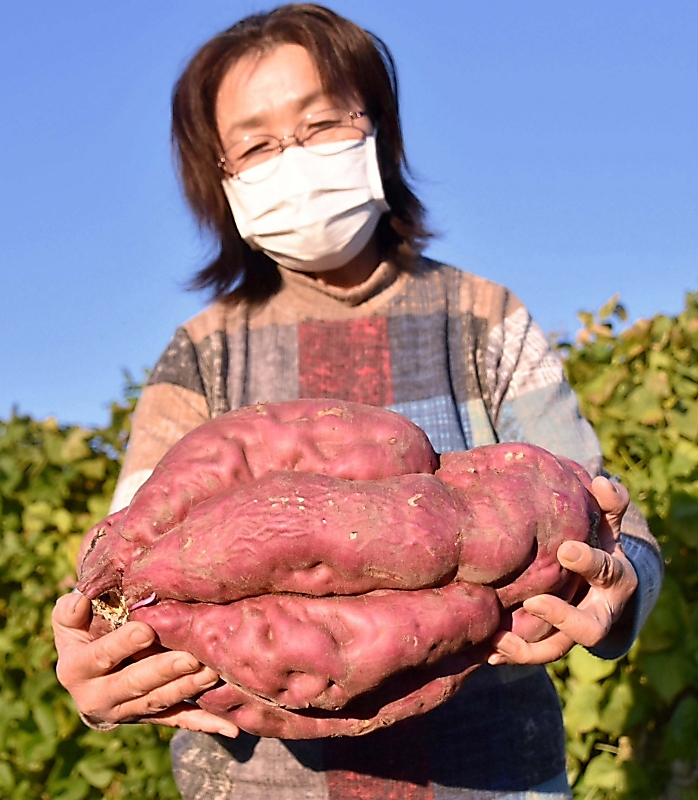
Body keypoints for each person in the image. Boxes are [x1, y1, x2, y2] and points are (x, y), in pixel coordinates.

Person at [52, 5, 663, 798]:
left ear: (377, 128)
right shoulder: (202, 351)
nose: (294, 159)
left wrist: (616, 595)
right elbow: (125, 571)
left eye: (319, 124)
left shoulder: (483, 317)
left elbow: (614, 525)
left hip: (489, 777)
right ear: (222, 179)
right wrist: (98, 676)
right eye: (258, 145)